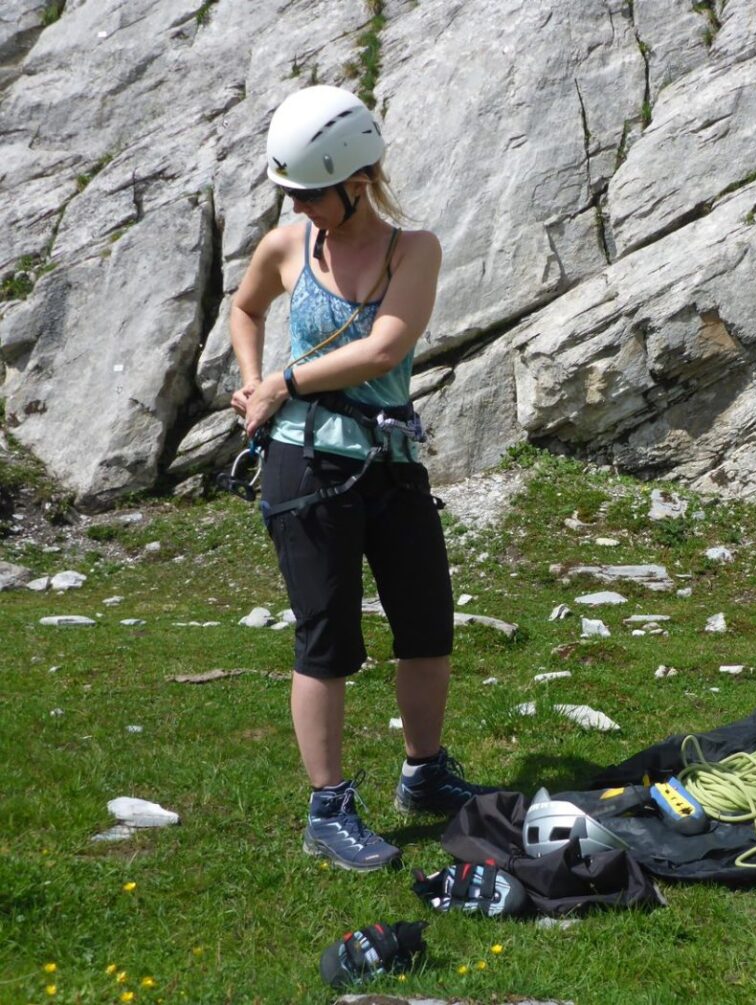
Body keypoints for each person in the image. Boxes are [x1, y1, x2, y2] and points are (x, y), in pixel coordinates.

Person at [228, 84, 495, 872]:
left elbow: (386, 347)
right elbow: (244, 309)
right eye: (293, 195)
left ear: (358, 179)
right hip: (303, 465)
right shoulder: (285, 246)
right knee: (326, 636)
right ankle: (329, 806)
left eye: (314, 194)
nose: (303, 208)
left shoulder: (414, 249)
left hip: (387, 463)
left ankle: (423, 771)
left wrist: (283, 381)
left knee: (427, 624)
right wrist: (252, 381)